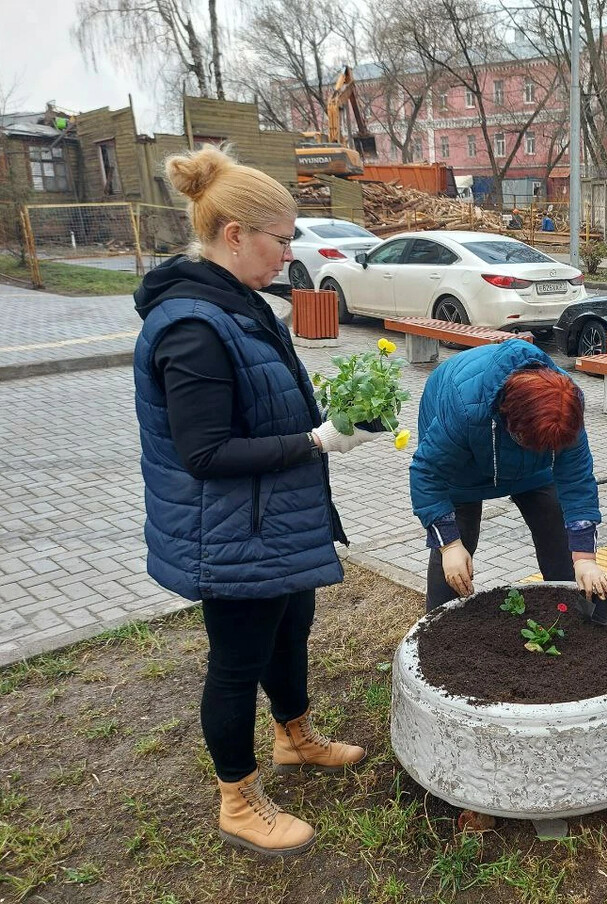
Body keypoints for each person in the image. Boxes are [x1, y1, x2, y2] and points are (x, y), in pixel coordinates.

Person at [133, 145, 381, 857]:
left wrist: (326, 417)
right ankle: (237, 798)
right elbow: (204, 453)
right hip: (233, 532)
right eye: (282, 238)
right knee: (237, 662)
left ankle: (294, 736)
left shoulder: (239, 304)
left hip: (273, 521)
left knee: (289, 626)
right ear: (235, 234)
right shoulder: (191, 326)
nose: (289, 252)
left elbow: (260, 406)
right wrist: (315, 441)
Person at [409, 340, 607, 609]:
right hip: (463, 464)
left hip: (532, 466)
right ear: (509, 420)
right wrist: (448, 544)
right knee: (456, 548)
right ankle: (435, 630)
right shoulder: (464, 408)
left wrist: (585, 558)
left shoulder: (563, 408)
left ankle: (570, 612)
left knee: (556, 524)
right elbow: (427, 473)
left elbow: (576, 481)